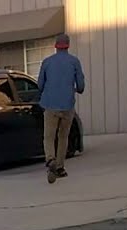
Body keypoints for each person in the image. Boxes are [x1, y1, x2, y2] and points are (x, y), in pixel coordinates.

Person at [37, 33, 85, 184]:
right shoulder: (74, 62)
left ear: (55, 46)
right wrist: (73, 89)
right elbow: (81, 86)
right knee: (63, 137)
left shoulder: (47, 62)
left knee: (49, 136)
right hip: (67, 105)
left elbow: (39, 85)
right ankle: (59, 167)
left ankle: (50, 158)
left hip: (50, 105)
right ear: (68, 45)